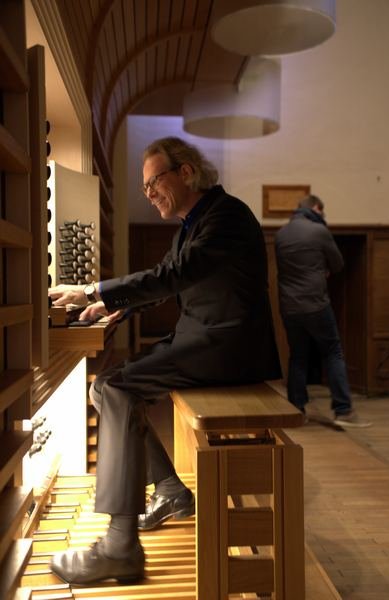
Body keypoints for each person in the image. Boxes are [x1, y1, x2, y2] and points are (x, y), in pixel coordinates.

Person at [48, 136, 282, 585]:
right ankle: (171, 490)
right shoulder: (191, 224)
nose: (149, 193)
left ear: (185, 172)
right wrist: (115, 308)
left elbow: (175, 274)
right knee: (106, 386)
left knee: (116, 389)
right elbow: (169, 280)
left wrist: (93, 290)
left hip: (228, 347)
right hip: (204, 339)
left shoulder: (227, 216)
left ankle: (120, 547)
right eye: (145, 187)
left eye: (154, 182)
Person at [275, 194, 371, 428]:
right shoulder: (319, 231)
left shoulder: (281, 234)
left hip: (289, 306)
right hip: (316, 303)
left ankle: (297, 410)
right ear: (316, 208)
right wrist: (323, 269)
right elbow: (338, 263)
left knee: (298, 356)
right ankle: (343, 410)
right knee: (333, 352)